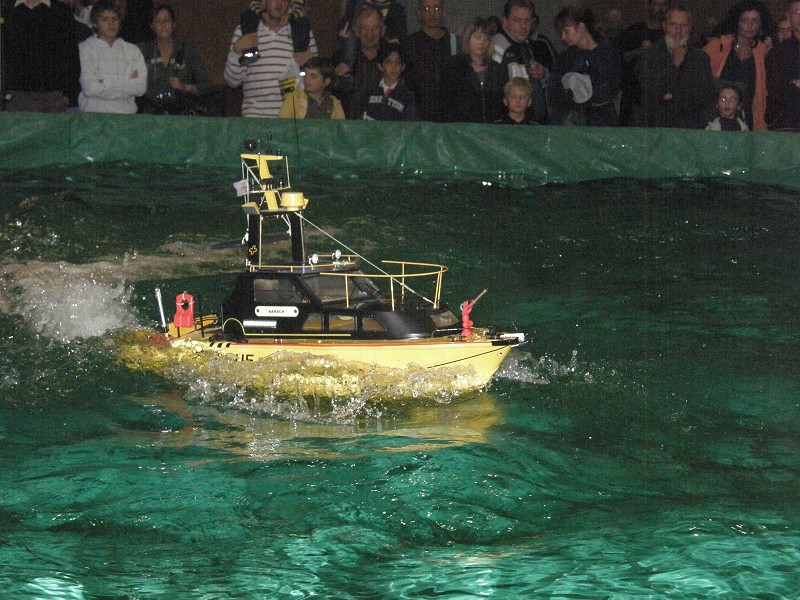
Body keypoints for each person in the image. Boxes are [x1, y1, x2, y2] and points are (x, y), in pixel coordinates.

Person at [224, 0, 317, 118]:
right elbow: (232, 81)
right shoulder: (246, 29)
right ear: (263, 2)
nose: (279, 3)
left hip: (293, 118)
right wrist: (237, 52)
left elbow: (317, 83)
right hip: (255, 118)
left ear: (290, 3)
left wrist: (311, 62)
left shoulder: (302, 32)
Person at [636, 8, 715, 128]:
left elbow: (705, 97)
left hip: (691, 127)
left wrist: (670, 94)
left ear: (690, 28)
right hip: (658, 127)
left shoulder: (701, 58)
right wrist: (675, 64)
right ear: (664, 26)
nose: (678, 31)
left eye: (684, 26)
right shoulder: (649, 55)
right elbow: (652, 92)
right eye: (673, 25)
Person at [1, 0, 82, 112]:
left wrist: (69, 94)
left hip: (53, 95)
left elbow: (71, 55)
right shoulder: (6, 10)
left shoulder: (61, 11)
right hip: (14, 95)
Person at [703, 1, 770, 131]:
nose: (749, 26)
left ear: (761, 23)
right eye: (745, 21)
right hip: (716, 120)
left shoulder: (763, 51)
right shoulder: (718, 46)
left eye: (754, 21)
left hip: (748, 120)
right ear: (737, 22)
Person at [549, 6, 620, 126]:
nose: (563, 37)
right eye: (561, 33)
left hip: (601, 122)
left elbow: (609, 90)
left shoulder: (607, 54)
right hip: (572, 122)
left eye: (566, 31)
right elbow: (554, 94)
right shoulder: (565, 58)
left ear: (581, 27)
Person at [137, 4, 213, 114]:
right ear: (152, 26)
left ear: (173, 24)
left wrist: (185, 87)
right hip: (151, 113)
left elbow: (207, 86)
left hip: (180, 113)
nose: (163, 25)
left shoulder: (186, 51)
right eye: (158, 21)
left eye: (167, 20)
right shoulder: (143, 51)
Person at [78, 0, 147, 113]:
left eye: (114, 19)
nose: (111, 24)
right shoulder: (85, 49)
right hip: (93, 116)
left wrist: (103, 82)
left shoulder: (132, 51)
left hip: (126, 117)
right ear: (95, 23)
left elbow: (140, 87)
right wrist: (126, 83)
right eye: (105, 19)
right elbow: (90, 88)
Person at [492, 0, 549, 123]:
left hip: (530, 120)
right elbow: (493, 91)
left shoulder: (527, 45)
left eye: (527, 21)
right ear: (505, 22)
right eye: (517, 20)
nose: (523, 26)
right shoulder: (498, 47)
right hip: (510, 123)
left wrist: (542, 74)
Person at [440, 17, 505, 123]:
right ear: (468, 38)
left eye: (486, 38)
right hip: (460, 127)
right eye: (477, 37)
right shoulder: (453, 66)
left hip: (492, 128)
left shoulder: (497, 69)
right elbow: (446, 102)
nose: (482, 42)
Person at [402, 0, 456, 122]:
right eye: (427, 9)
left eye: (436, 9)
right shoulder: (409, 44)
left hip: (450, 116)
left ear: (444, 13)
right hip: (418, 116)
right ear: (419, 13)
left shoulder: (455, 43)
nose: (432, 14)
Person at [619, 0, 669, 125]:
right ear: (650, 6)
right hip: (634, 90)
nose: (660, 8)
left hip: (658, 92)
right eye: (657, 4)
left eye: (664, 5)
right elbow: (622, 57)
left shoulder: (668, 33)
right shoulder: (636, 29)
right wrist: (640, 51)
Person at [332, 5, 385, 118]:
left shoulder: (391, 59)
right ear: (356, 30)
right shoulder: (341, 58)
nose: (370, 34)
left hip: (383, 124)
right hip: (349, 123)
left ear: (383, 30)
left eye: (375, 28)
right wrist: (336, 78)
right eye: (365, 28)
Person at [356, 42, 416, 120]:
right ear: (380, 66)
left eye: (398, 63)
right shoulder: (368, 91)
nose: (393, 66)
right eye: (389, 62)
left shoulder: (408, 96)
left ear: (403, 67)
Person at [766, 0, 800, 130]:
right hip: (788, 124)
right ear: (789, 17)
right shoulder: (778, 53)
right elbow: (777, 91)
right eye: (796, 12)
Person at [278, 57, 345, 119]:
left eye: (313, 77)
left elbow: (341, 126)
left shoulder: (334, 104)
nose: (307, 79)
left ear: (326, 81)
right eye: (305, 75)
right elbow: (284, 124)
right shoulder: (294, 99)